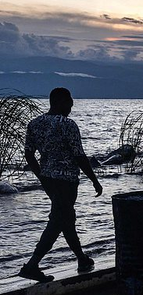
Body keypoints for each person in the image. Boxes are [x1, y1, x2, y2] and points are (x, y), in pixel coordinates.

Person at [18, 87, 103, 282]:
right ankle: (32, 265)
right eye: (69, 101)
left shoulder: (34, 124)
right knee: (57, 221)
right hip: (66, 181)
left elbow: (29, 154)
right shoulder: (68, 125)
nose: (72, 105)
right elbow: (79, 156)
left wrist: (41, 176)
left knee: (65, 217)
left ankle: (81, 259)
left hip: (48, 180)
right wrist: (94, 180)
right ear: (59, 102)